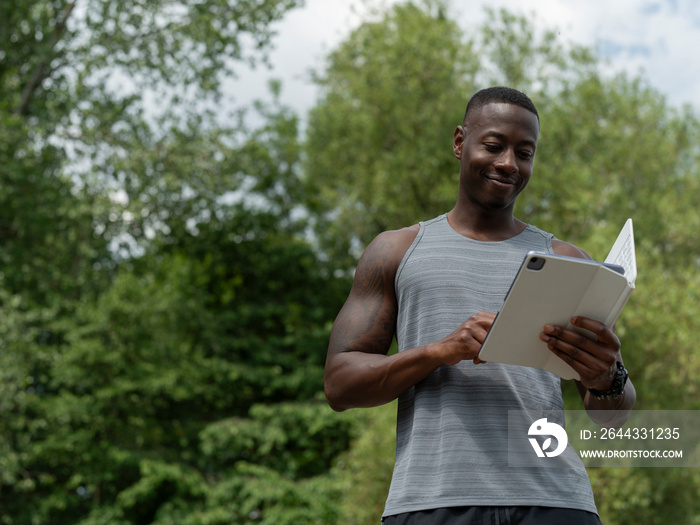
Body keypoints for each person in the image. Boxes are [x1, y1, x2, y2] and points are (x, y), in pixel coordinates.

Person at [323, 86, 636, 524]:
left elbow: (614, 419)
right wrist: (440, 351)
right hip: (433, 501)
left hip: (556, 502)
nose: (509, 163)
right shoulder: (395, 250)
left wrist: (608, 374)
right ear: (458, 142)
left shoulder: (569, 262)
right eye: (493, 146)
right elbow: (339, 385)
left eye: (524, 152)